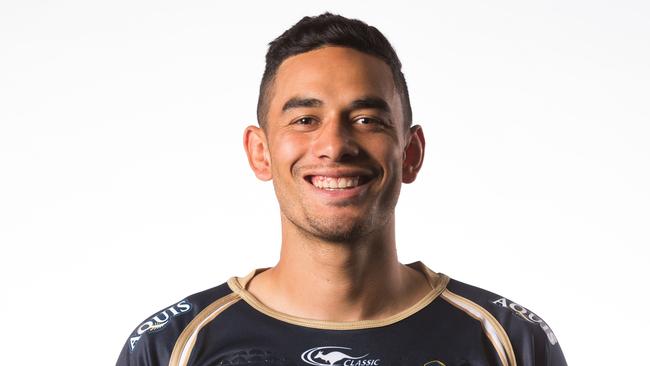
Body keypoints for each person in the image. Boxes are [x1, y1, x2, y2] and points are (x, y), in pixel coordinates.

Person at [117, 13, 567, 366]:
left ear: (410, 153)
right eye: (305, 120)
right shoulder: (172, 348)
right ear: (261, 152)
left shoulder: (509, 343)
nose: (334, 145)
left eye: (367, 120)